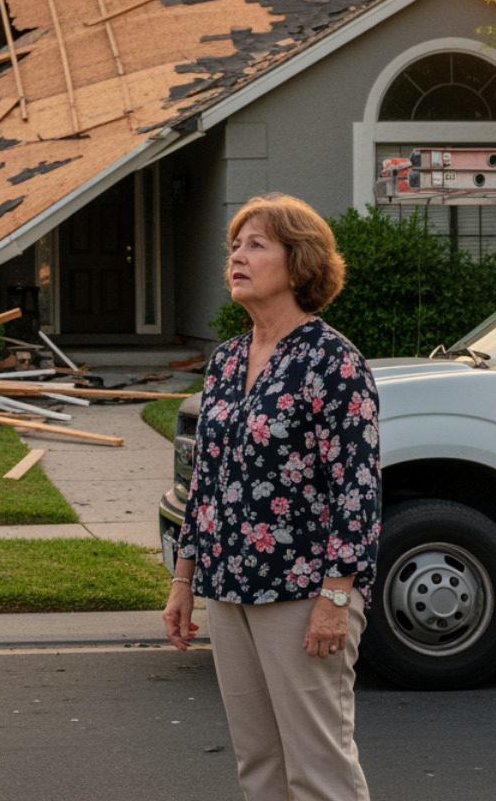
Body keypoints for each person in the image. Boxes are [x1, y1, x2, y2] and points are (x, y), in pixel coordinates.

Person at [162, 192, 381, 801]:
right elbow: (207, 479)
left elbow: (357, 488)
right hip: (229, 589)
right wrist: (185, 579)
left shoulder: (333, 361)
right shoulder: (227, 360)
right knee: (258, 765)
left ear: (299, 262)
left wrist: (336, 597)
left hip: (305, 592)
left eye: (256, 244)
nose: (238, 256)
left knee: (318, 769)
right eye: (235, 244)